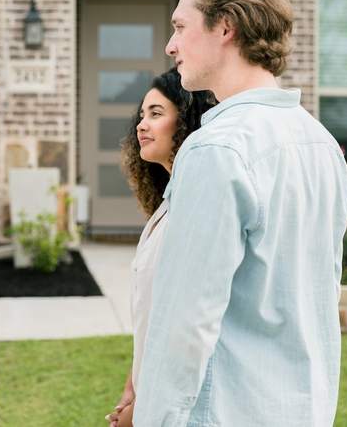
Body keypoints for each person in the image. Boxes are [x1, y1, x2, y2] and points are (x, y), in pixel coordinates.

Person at [131, 0, 347, 426]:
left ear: (225, 26)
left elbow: (185, 323)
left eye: (181, 27)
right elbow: (321, 300)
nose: (171, 45)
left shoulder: (217, 150)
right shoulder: (323, 144)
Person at [105, 69, 215, 427]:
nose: (141, 125)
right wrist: (132, 388)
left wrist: (142, 409)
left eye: (156, 114)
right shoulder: (167, 206)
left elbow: (186, 328)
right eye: (141, 115)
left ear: (186, 122)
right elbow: (153, 320)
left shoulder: (196, 207)